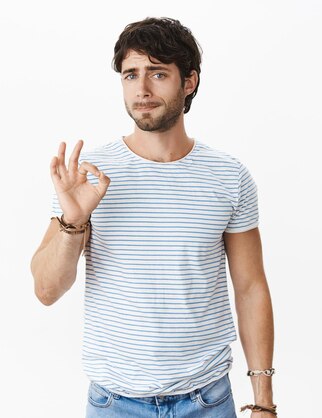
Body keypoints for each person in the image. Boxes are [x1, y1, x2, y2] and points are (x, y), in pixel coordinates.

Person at [30, 17, 276, 418]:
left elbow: (250, 288)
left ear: (189, 81)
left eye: (158, 73)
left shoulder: (229, 176)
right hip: (114, 403)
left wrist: (263, 400)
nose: (141, 90)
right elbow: (46, 290)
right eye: (131, 75)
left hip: (207, 400)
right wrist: (73, 222)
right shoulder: (88, 176)